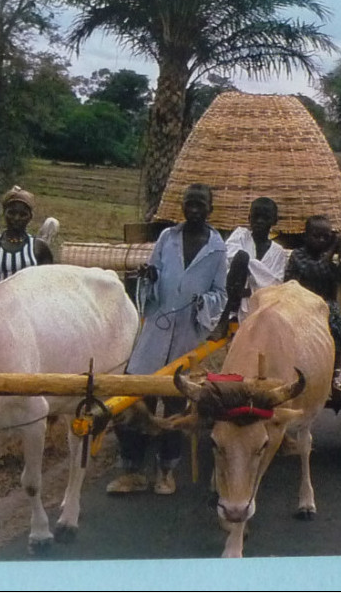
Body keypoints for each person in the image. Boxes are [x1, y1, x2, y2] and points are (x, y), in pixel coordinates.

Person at [107, 183, 227, 496]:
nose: (194, 209)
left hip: (186, 335)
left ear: (209, 209)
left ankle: (166, 472)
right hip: (155, 332)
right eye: (189, 204)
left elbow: (221, 293)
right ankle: (132, 471)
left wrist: (204, 303)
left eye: (200, 204)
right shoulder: (167, 238)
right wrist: (150, 278)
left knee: (176, 405)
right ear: (183, 207)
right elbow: (154, 273)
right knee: (136, 401)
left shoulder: (217, 247)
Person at [283, 215, 341, 393]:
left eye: (325, 237)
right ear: (306, 236)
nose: (321, 240)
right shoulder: (298, 255)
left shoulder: (331, 256)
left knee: (339, 322)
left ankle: (337, 369)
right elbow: (314, 270)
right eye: (316, 236)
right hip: (298, 300)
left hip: (324, 303)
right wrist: (332, 250)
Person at [210, 196, 288, 338]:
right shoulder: (240, 235)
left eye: (265, 218)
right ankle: (223, 320)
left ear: (274, 221)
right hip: (233, 299)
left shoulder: (278, 252)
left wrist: (249, 267)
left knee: (244, 258)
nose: (259, 222)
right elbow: (231, 258)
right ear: (249, 218)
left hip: (262, 304)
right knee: (241, 257)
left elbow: (274, 283)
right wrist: (253, 269)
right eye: (256, 217)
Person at [0, 185, 54, 296]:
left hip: (29, 309)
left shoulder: (39, 248)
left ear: (30, 217)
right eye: (12, 213)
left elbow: (48, 286)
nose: (16, 218)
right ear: (4, 213)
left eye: (23, 214)